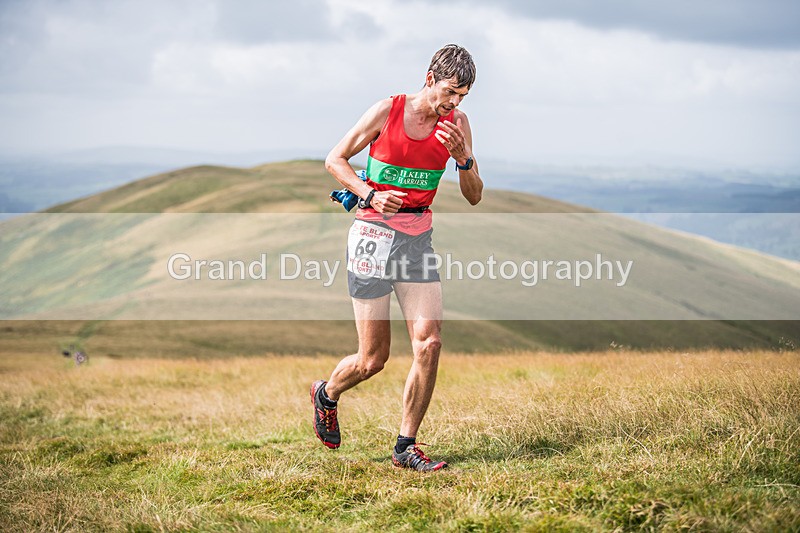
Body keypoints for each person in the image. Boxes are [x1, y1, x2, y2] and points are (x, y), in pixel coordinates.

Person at [311, 44, 483, 471]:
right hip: (371, 234)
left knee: (430, 342)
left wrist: (464, 159)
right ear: (430, 79)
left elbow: (475, 195)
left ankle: (406, 447)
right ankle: (326, 394)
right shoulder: (387, 111)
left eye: (462, 96)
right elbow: (335, 159)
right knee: (373, 359)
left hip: (416, 240)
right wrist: (370, 193)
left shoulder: (458, 126)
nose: (454, 102)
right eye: (450, 92)